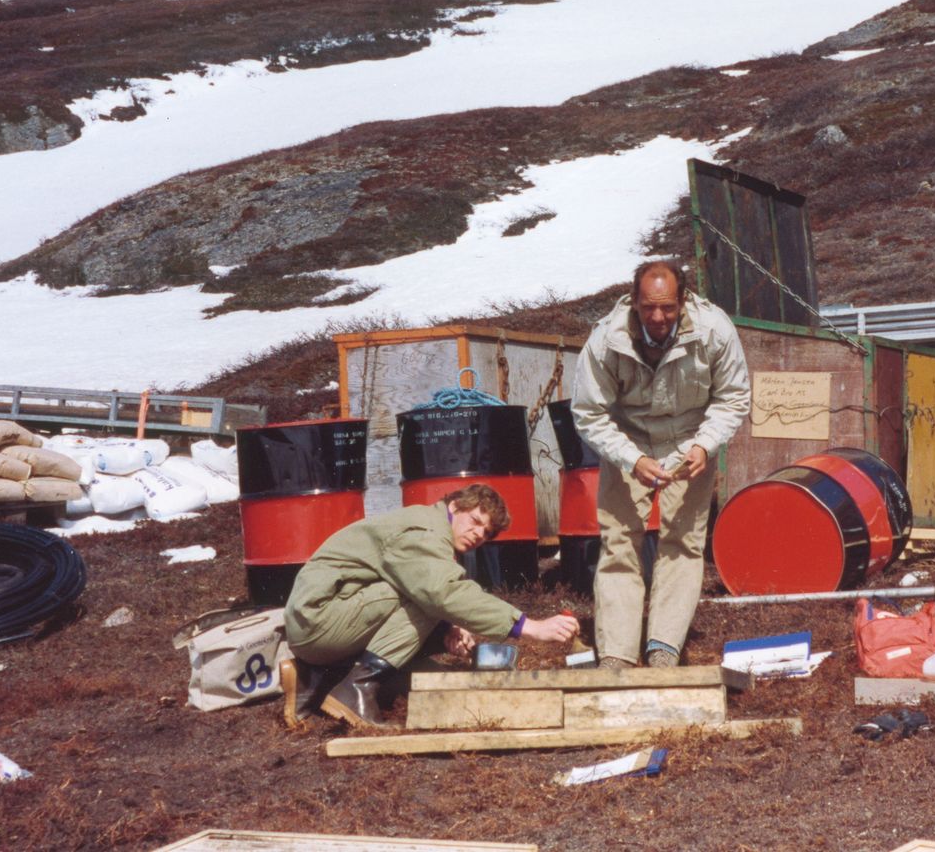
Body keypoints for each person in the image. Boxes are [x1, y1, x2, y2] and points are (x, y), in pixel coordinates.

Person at [572, 260, 751, 669]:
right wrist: (631, 459)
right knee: (619, 543)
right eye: (649, 307)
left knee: (683, 543)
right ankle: (616, 653)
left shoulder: (715, 330)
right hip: (627, 440)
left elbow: (733, 397)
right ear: (634, 301)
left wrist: (705, 445)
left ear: (683, 301)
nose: (657, 317)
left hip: (689, 439)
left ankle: (664, 646)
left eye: (667, 307)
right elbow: (588, 413)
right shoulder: (605, 340)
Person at [284, 483, 578, 726]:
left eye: (487, 533)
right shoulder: (423, 530)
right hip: (319, 620)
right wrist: (530, 627)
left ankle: (314, 678)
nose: (479, 535)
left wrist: (447, 628)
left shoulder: (430, 529)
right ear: (455, 507)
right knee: (428, 598)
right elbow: (442, 592)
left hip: (319, 624)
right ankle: (356, 688)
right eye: (476, 521)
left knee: (431, 604)